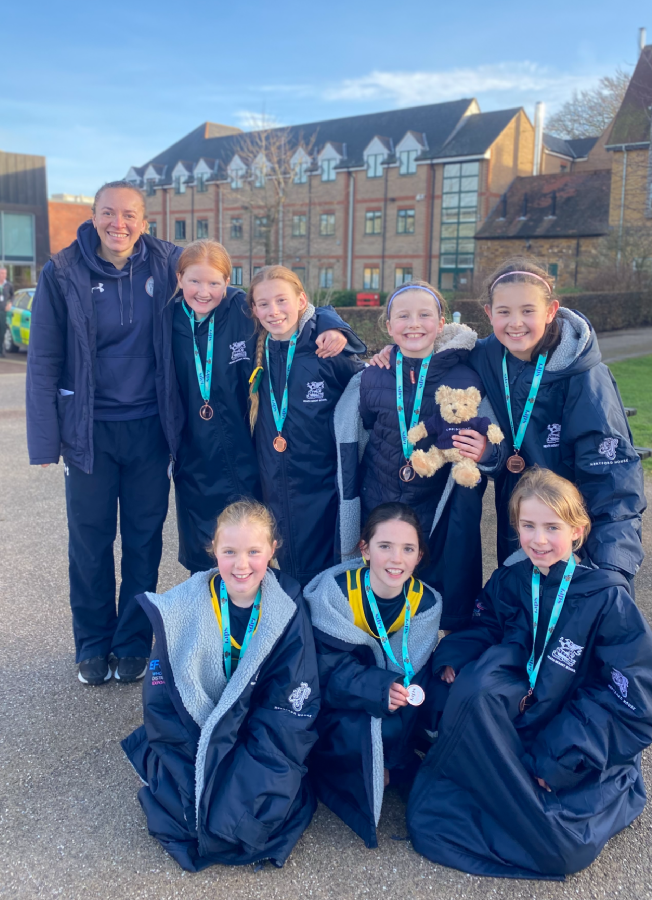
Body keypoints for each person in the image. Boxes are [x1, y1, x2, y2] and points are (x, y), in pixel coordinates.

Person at [406, 467, 652, 881]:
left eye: (552, 527)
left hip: (567, 731)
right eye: (528, 526)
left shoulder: (606, 598)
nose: (539, 539)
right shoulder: (512, 579)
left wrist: (558, 760)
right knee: (465, 699)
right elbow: (485, 625)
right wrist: (453, 658)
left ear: (578, 530)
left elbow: (637, 696)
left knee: (558, 847)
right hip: (522, 714)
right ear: (515, 527)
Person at [26, 180, 182, 686]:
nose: (119, 224)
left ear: (145, 220)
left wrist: (325, 319)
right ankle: (92, 642)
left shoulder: (169, 263)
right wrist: (46, 439)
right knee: (90, 543)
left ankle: (133, 641)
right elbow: (44, 359)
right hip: (89, 432)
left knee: (143, 542)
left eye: (130, 214)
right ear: (93, 216)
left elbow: (234, 289)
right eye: (109, 213)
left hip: (150, 431)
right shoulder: (63, 271)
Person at [121, 499, 320, 873]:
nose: (241, 565)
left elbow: (292, 704)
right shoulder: (184, 607)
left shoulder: (288, 608)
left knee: (247, 815)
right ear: (213, 550)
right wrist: (204, 750)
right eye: (229, 552)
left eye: (253, 552)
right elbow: (162, 699)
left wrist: (247, 756)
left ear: (272, 550)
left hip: (260, 731)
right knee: (192, 814)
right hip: (199, 726)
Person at [171, 242, 356, 574]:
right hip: (195, 464)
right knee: (208, 561)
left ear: (228, 282)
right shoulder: (166, 319)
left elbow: (295, 309)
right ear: (179, 278)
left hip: (252, 463)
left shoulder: (241, 313)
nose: (204, 291)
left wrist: (332, 322)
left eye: (214, 282)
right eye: (194, 281)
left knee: (260, 556)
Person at [334, 281, 504, 630]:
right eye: (404, 316)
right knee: (383, 586)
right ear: (389, 325)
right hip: (380, 498)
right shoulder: (374, 375)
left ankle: (437, 658)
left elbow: (494, 441)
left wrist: (487, 452)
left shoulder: (465, 375)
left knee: (436, 591)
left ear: (441, 323)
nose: (414, 323)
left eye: (425, 315)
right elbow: (365, 428)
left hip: (439, 508)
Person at [470, 257, 646, 584]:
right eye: (504, 312)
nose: (515, 323)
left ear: (551, 311)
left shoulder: (586, 376)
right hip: (520, 525)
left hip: (573, 531)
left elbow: (613, 477)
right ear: (488, 313)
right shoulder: (484, 358)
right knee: (522, 615)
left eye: (528, 310)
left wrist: (612, 567)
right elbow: (426, 350)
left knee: (573, 624)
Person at [304, 503, 441, 848]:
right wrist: (379, 688)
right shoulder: (335, 593)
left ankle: (392, 765)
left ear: (419, 555)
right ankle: (367, 770)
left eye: (408, 549)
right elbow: (323, 669)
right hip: (343, 698)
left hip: (388, 697)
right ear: (365, 549)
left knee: (420, 711)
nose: (396, 559)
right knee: (350, 730)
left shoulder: (426, 603)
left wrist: (395, 690)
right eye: (385, 547)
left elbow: (414, 669)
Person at [246, 265, 366, 586]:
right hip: (274, 489)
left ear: (302, 300)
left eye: (282, 300)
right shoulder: (251, 351)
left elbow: (368, 391)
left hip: (322, 492)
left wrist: (334, 325)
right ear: (254, 310)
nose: (274, 311)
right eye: (264, 304)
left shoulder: (327, 350)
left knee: (323, 581)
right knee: (286, 579)